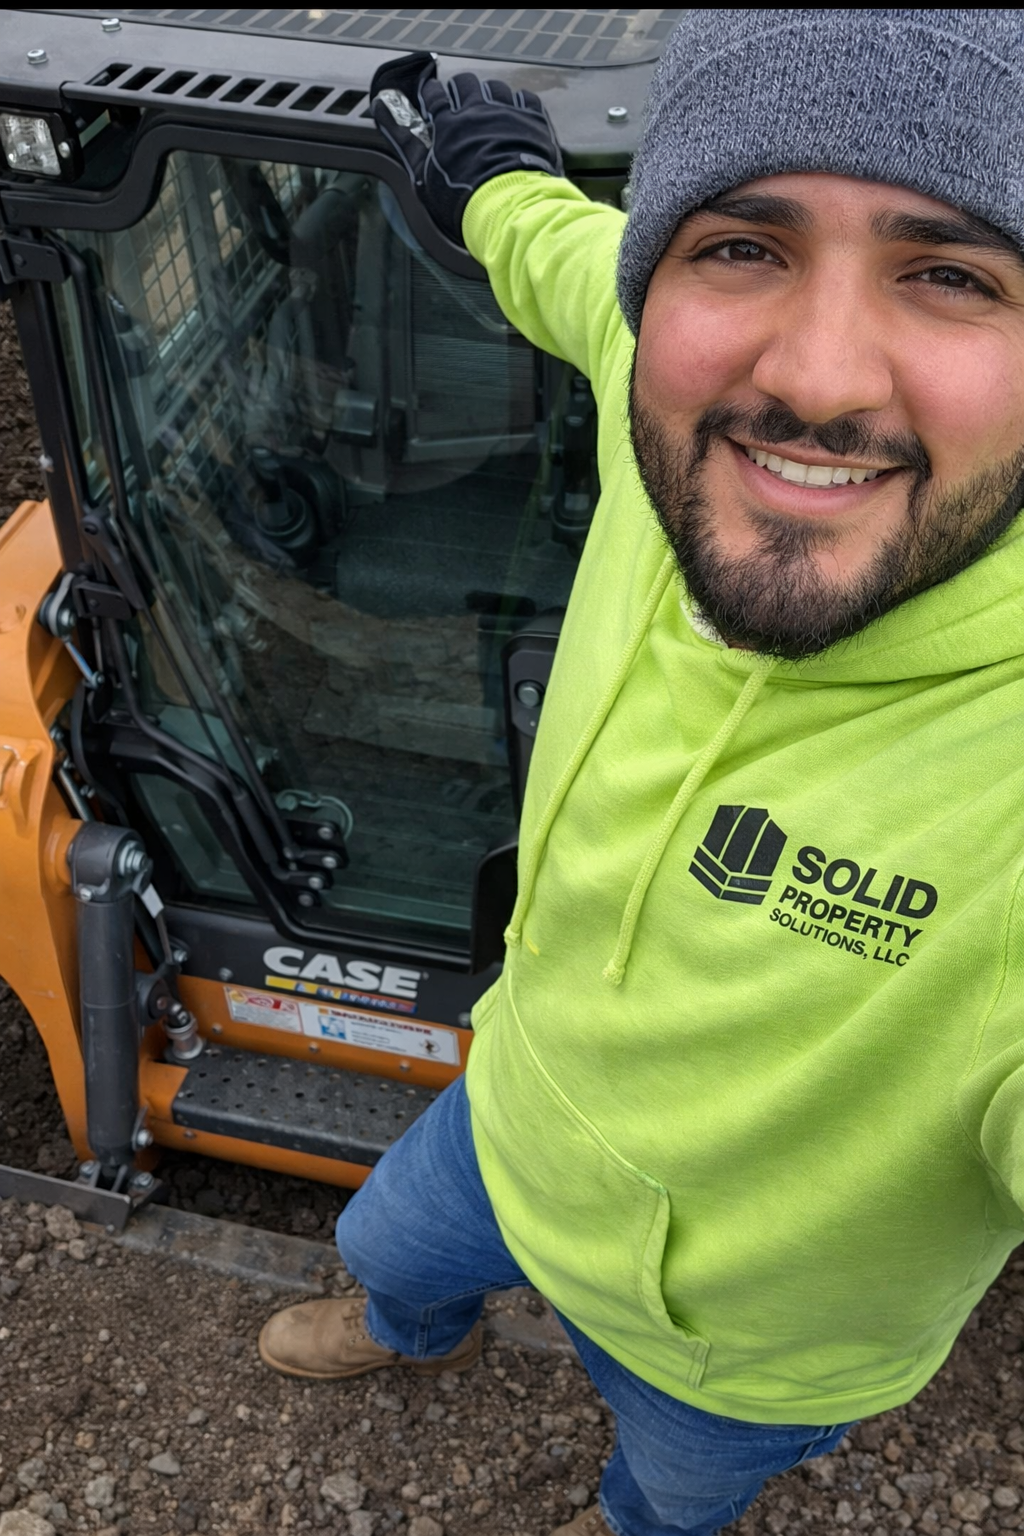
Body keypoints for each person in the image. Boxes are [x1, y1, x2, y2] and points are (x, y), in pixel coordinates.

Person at [259, 12, 1024, 1533]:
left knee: (669, 1501)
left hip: (750, 1345)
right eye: (743, 245)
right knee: (386, 1249)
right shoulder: (658, 386)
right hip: (515, 1118)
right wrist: (489, 185)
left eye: (952, 274)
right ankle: (409, 1324)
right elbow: (569, 264)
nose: (814, 380)